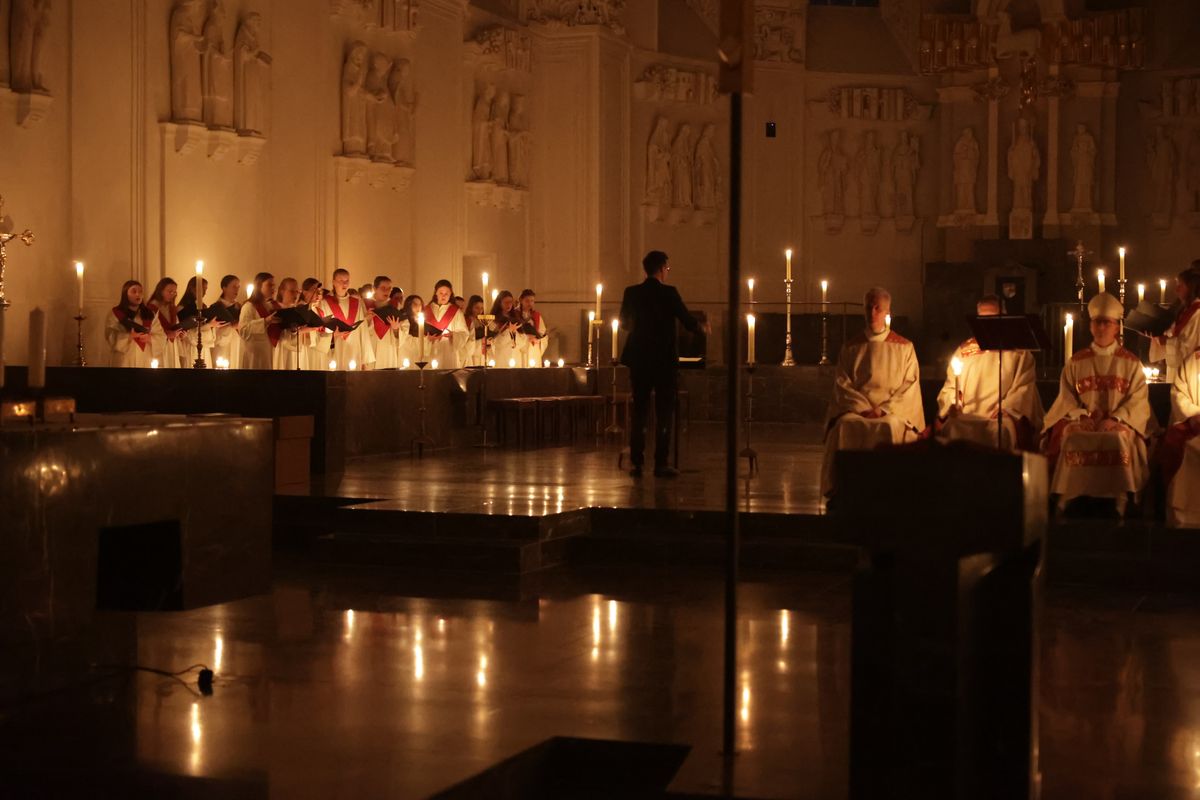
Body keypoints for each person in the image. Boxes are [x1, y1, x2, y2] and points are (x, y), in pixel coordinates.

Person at [1042, 292, 1152, 515]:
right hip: (1084, 420)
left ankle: (1120, 494)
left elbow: (1138, 399)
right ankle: (1067, 493)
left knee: (1119, 438)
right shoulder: (1076, 362)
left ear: (1116, 327)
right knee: (1072, 436)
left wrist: (1116, 419)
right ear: (1091, 326)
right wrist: (1081, 415)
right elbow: (1066, 397)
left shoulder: (1130, 363)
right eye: (1097, 322)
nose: (1102, 327)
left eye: (1107, 323)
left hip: (1118, 422)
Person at [821, 287, 924, 500]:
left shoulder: (904, 347)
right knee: (843, 426)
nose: (872, 312)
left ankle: (889, 489)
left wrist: (884, 409)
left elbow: (910, 384)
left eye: (878, 307)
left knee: (888, 426)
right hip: (858, 411)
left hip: (891, 412)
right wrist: (864, 408)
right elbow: (843, 384)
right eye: (868, 307)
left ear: (887, 311)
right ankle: (844, 489)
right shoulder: (851, 347)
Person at [619, 250, 702, 478]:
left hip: (639, 359)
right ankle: (661, 463)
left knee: (640, 410)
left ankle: (637, 462)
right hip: (664, 360)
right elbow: (686, 320)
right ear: (662, 268)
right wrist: (701, 327)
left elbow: (625, 323)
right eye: (668, 268)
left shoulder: (632, 293)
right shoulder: (669, 293)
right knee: (664, 411)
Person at [934, 294, 1043, 449]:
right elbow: (951, 386)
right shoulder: (964, 351)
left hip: (1000, 416)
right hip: (967, 414)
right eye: (983, 319)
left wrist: (1006, 409)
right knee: (953, 427)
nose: (987, 324)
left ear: (1003, 318)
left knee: (1002, 431)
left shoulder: (1019, 352)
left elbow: (1023, 388)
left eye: (992, 318)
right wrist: (954, 403)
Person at [1159, 347, 1200, 526]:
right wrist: (1193, 414)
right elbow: (1179, 392)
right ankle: (1184, 514)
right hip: (1195, 423)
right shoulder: (1193, 360)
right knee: (1180, 444)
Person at [1147, 265, 1200, 381]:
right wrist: (1155, 336)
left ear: (1190, 287)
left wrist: (1165, 341)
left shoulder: (1197, 313)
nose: (1176, 290)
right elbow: (1173, 335)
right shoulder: (1184, 311)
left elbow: (1190, 346)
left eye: (1180, 285)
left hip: (1192, 371)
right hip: (1177, 369)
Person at [317, 267, 374, 370]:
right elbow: (320, 329)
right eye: (341, 281)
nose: (344, 284)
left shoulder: (356, 303)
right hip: (334, 348)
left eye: (347, 281)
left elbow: (363, 330)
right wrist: (332, 336)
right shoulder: (325, 303)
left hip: (354, 349)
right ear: (334, 282)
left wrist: (365, 360)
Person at [105, 280, 155, 368]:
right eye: (134, 291)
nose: (138, 294)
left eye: (140, 291)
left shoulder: (149, 313)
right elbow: (110, 334)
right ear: (125, 294)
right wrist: (129, 336)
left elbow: (159, 333)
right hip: (124, 357)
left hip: (145, 356)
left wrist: (151, 338)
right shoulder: (116, 313)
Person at [180, 275, 226, 368]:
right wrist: (209, 325)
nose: (205, 292)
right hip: (191, 348)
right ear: (193, 288)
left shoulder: (203, 306)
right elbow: (188, 331)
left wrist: (212, 325)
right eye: (202, 289)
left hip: (204, 347)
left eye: (206, 289)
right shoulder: (182, 307)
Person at [240, 272, 282, 370]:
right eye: (269, 285)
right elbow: (243, 330)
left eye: (274, 285)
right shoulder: (249, 306)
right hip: (254, 354)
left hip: (268, 352)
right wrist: (265, 321)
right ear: (259, 286)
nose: (273, 288)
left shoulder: (269, 306)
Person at [425, 279, 467, 369]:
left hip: (448, 351)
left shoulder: (456, 312)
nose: (443, 296)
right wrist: (426, 339)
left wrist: (454, 335)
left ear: (451, 294)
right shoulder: (426, 310)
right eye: (441, 293)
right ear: (435, 293)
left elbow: (464, 333)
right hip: (430, 350)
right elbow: (419, 332)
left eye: (446, 293)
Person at [147, 277, 188, 368]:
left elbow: (175, 325)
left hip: (172, 348)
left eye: (174, 292)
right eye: (170, 291)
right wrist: (166, 335)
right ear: (161, 291)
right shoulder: (150, 309)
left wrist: (180, 335)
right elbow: (148, 331)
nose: (173, 294)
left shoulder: (172, 308)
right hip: (159, 349)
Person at [367, 275, 403, 369]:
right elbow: (359, 330)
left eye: (389, 288)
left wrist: (396, 329)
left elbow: (403, 329)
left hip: (389, 348)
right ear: (374, 288)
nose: (386, 291)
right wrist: (368, 320)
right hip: (371, 347)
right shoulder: (365, 305)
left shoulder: (396, 306)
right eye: (383, 288)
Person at [211, 275, 244, 369]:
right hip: (222, 348)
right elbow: (213, 333)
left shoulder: (240, 307)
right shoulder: (216, 307)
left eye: (238, 287)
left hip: (237, 346)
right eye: (234, 287)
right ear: (224, 288)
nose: (236, 290)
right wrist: (231, 327)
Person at [516, 289, 548, 367]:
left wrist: (538, 339)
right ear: (521, 300)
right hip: (519, 347)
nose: (530, 303)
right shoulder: (515, 314)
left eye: (532, 301)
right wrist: (524, 337)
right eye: (527, 301)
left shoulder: (536, 315)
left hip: (533, 346)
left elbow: (542, 332)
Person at [489, 290, 520, 368]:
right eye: (506, 302)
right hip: (501, 355)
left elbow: (521, 340)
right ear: (499, 303)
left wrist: (515, 333)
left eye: (510, 302)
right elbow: (494, 341)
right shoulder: (493, 320)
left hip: (515, 355)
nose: (509, 305)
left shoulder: (515, 318)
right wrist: (508, 331)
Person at [396, 294, 425, 366]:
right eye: (415, 304)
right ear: (409, 305)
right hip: (406, 354)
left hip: (417, 353)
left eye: (420, 304)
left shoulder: (421, 320)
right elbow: (404, 338)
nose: (418, 307)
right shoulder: (403, 319)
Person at [463, 294, 487, 367]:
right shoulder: (466, 320)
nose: (480, 311)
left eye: (481, 308)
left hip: (481, 353)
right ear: (471, 307)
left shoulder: (483, 321)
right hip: (470, 353)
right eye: (477, 308)